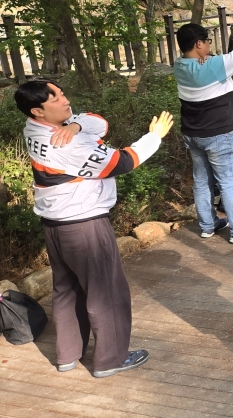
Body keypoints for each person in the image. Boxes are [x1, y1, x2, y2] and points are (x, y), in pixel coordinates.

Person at [16, 79, 174, 377]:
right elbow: (121, 162)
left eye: (62, 93)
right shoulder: (66, 144)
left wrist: (75, 125)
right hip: (84, 225)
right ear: (38, 110)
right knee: (107, 292)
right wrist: (154, 136)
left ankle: (67, 356)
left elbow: (99, 123)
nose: (65, 101)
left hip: (55, 225)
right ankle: (110, 360)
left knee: (66, 290)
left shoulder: (34, 127)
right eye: (55, 99)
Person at [173, 15, 233, 244]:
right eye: (207, 42)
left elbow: (210, 63)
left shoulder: (180, 65)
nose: (209, 46)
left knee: (201, 181)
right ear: (198, 44)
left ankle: (208, 225)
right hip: (218, 135)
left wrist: (208, 57)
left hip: (192, 134)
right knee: (229, 182)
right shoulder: (214, 66)